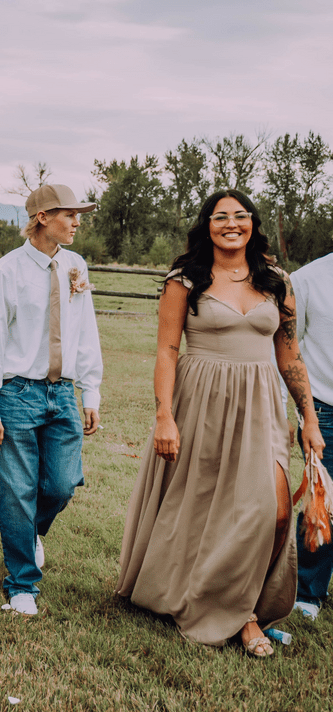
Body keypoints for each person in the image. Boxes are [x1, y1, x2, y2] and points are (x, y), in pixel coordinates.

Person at [117, 190, 325, 654]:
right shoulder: (185, 279)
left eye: (240, 215)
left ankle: (247, 604)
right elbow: (167, 351)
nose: (231, 223)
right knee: (201, 506)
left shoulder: (277, 281)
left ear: (253, 223)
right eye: (220, 217)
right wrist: (164, 415)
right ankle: (236, 613)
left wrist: (309, 418)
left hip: (261, 405)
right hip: (202, 401)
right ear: (206, 225)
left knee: (275, 512)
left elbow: (290, 355)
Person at [0, 183, 102, 617]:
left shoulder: (76, 266)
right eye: (70, 214)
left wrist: (91, 391)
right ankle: (22, 584)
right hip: (17, 393)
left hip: (62, 393)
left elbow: (86, 330)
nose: (77, 222)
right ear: (43, 217)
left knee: (62, 483)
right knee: (16, 492)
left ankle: (29, 533)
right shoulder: (7, 270)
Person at [292, 246, 333, 621]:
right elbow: (287, 349)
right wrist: (302, 415)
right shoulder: (306, 279)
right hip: (324, 409)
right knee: (323, 501)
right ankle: (307, 591)